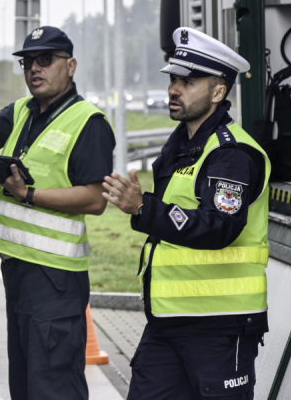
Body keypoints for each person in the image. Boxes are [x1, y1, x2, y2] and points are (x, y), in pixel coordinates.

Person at [103, 27, 270, 400]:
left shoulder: (232, 154)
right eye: (174, 79)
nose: (174, 89)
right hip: (168, 323)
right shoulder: (181, 146)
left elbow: (219, 227)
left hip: (219, 330)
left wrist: (144, 207)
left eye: (189, 81)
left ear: (218, 92)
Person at [0, 26, 115, 400]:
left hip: (56, 281)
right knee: (27, 388)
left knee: (53, 389)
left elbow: (95, 200)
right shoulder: (22, 112)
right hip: (20, 273)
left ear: (71, 65)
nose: (34, 69)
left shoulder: (87, 122)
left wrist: (27, 193)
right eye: (28, 62)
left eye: (46, 60)